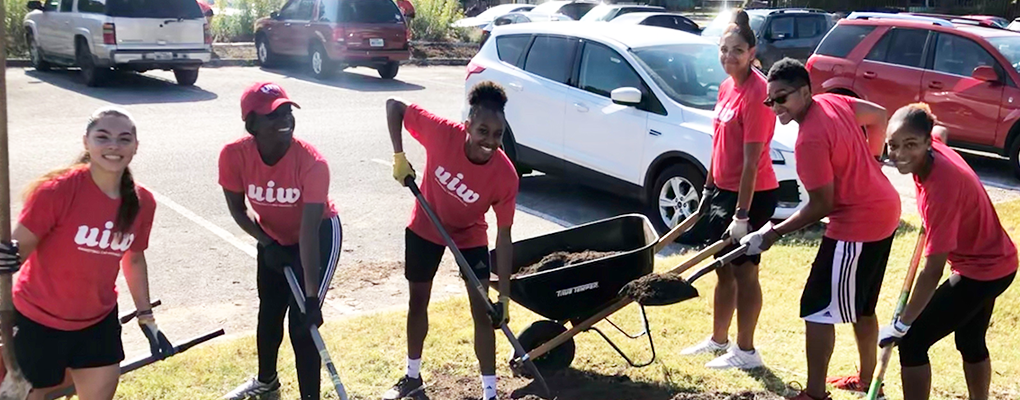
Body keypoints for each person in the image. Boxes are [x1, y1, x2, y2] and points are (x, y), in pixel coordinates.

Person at [740, 58, 901, 400]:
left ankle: (814, 394)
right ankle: (869, 379)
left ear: (804, 91)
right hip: (884, 210)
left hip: (859, 223)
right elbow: (879, 116)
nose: (775, 107)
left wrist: (771, 233)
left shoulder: (809, 140)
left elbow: (821, 205)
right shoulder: (834, 101)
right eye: (770, 100)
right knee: (863, 306)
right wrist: (872, 160)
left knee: (816, 306)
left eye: (782, 98)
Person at [0, 106, 173, 400]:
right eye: (103, 137)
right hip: (37, 321)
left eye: (124, 139)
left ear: (135, 146)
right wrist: (8, 258)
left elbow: (133, 257)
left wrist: (147, 318)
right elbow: (18, 252)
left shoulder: (143, 202)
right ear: (86, 142)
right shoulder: (57, 191)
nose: (114, 146)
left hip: (97, 322)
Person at [381, 81, 518, 400]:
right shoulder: (442, 133)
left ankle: (489, 393)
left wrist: (505, 297)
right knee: (418, 300)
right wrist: (399, 157)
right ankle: (412, 377)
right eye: (483, 131)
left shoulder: (505, 175)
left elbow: (505, 234)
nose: (490, 142)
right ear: (467, 126)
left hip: (470, 234)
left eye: (498, 135)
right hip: (426, 224)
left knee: (484, 312)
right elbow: (394, 106)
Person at [881, 104, 1016, 400]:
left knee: (913, 340)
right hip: (998, 260)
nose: (899, 153)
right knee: (970, 339)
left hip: (982, 271)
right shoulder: (935, 145)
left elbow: (932, 270)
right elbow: (941, 129)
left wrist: (901, 323)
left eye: (910, 145)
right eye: (893, 145)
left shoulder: (940, 189)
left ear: (927, 143)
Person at [219, 82, 343, 400]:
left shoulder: (312, 163)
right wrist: (267, 243)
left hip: (317, 235)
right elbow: (238, 209)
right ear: (252, 123)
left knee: (303, 325)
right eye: (273, 114)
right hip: (272, 237)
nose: (285, 118)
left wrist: (312, 299)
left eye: (287, 110)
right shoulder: (234, 156)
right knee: (270, 313)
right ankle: (267, 383)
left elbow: (308, 231)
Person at [679, 9, 778, 371]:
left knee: (745, 271)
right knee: (723, 268)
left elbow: (752, 161)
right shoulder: (726, 87)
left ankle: (746, 352)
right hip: (722, 191)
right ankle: (719, 340)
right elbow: (719, 143)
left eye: (737, 50)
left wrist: (742, 214)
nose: (728, 57)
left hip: (752, 195)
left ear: (752, 52)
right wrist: (708, 189)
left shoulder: (758, 93)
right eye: (723, 50)